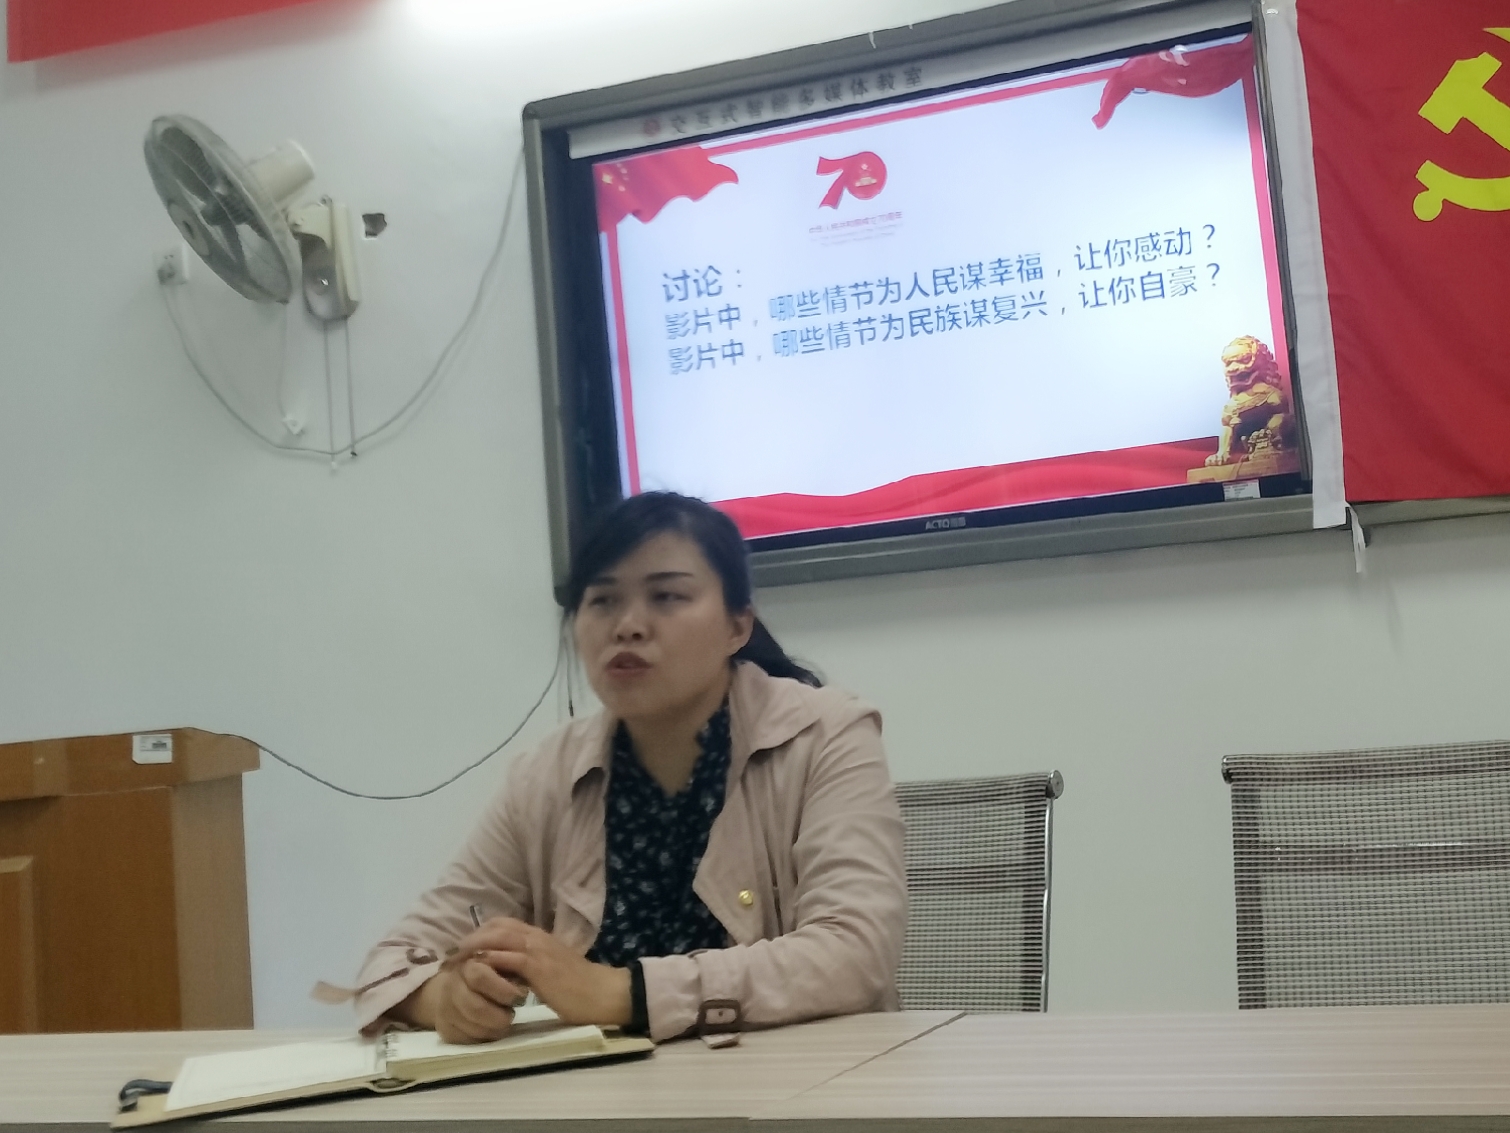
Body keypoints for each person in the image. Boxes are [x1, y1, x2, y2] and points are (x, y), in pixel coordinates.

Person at [350, 492, 906, 1043]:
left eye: (666, 596)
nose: (628, 626)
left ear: (737, 626)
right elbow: (392, 962)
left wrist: (624, 993)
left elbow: (855, 952)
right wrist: (444, 999)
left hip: (797, 1083)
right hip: (608, 1092)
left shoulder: (827, 734)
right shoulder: (544, 777)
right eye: (603, 601)